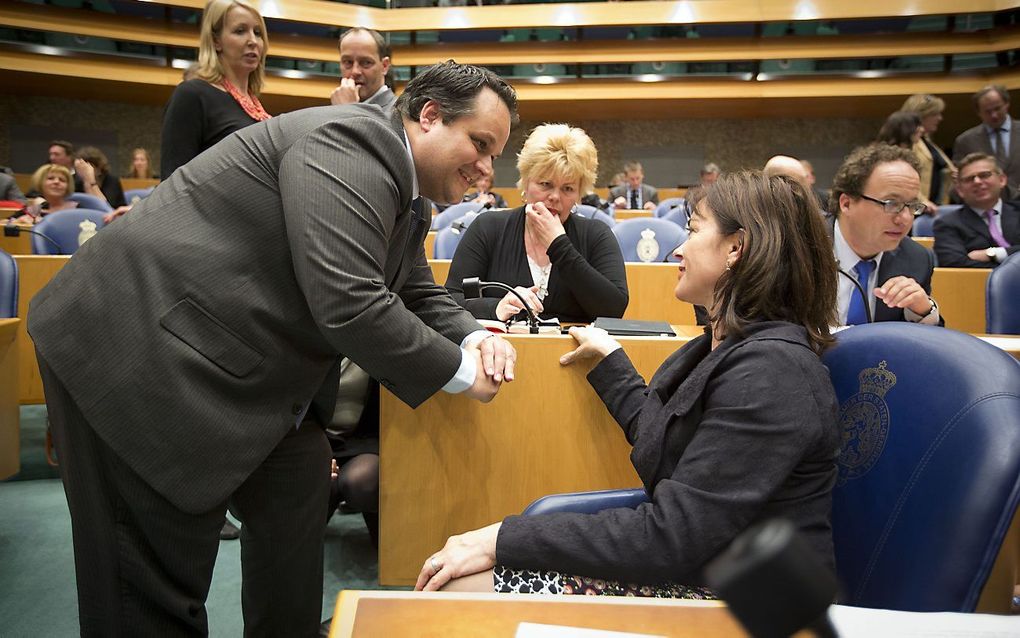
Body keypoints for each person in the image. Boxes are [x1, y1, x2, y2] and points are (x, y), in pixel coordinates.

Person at [27, 60, 519, 636]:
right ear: (430, 116)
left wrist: (475, 333)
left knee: (300, 482)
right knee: (148, 590)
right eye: (480, 145)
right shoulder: (353, 140)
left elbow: (410, 287)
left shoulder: (407, 187)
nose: (486, 169)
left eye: (494, 156)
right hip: (136, 348)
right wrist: (460, 371)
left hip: (235, 360)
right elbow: (349, 301)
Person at [416, 171, 840, 596]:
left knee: (461, 587)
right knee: (462, 580)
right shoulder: (726, 350)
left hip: (749, 601)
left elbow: (670, 538)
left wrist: (499, 539)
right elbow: (663, 433)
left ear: (736, 248)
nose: (679, 247)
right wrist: (612, 361)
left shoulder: (771, 374)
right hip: (703, 568)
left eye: (692, 231)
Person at [445, 123, 628, 324]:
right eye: (545, 184)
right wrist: (496, 306)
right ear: (526, 183)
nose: (555, 197)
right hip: (500, 349)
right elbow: (452, 300)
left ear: (579, 193)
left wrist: (560, 246)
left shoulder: (596, 234)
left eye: (567, 188)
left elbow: (614, 309)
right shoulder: (488, 228)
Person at [827, 143, 943, 326]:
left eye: (912, 206)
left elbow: (925, 346)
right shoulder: (798, 246)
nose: (904, 219)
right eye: (891, 203)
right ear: (847, 203)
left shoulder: (916, 259)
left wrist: (923, 311)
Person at [160, 0, 271, 181]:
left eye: (258, 33)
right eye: (240, 31)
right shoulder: (192, 94)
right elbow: (172, 183)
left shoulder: (255, 106)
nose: (253, 41)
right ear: (216, 41)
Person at [933, 153, 1020, 267]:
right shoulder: (947, 224)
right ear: (959, 190)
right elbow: (955, 265)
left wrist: (994, 254)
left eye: (984, 175)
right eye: (969, 179)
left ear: (1002, 180)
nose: (977, 181)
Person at [953, 85, 1020, 194]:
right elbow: (958, 182)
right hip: (985, 205)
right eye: (987, 112)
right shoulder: (965, 141)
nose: (994, 115)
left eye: (997, 108)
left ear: (1007, 104)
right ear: (979, 113)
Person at [877, 112, 937, 214]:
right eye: (917, 126)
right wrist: (922, 202)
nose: (922, 130)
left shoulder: (910, 152)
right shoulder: (887, 157)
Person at [901, 93, 956, 206]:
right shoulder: (906, 142)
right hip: (918, 209)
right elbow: (902, 179)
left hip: (935, 208)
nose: (940, 118)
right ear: (921, 115)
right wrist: (922, 202)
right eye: (935, 114)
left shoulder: (927, 142)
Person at [330, 27, 394, 110]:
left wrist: (347, 110)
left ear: (384, 66)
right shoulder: (333, 109)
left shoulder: (400, 114)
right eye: (348, 62)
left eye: (366, 62)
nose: (355, 71)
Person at [9, 164, 78, 224]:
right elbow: (5, 222)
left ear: (68, 186)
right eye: (51, 178)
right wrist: (18, 221)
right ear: (40, 183)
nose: (56, 182)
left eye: (62, 180)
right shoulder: (35, 210)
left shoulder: (78, 209)